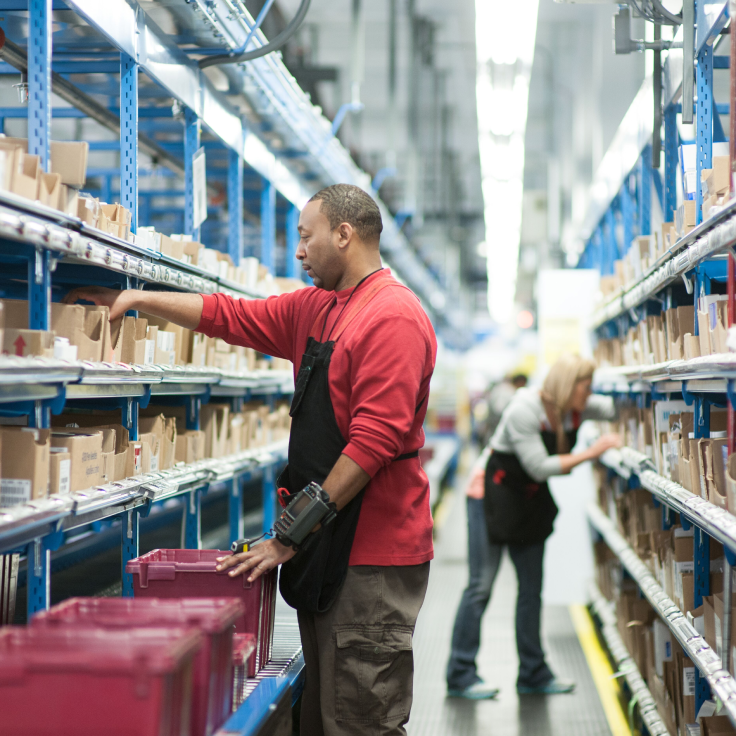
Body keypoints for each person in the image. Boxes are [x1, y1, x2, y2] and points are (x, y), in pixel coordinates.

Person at [64, 184, 437, 735]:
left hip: (370, 559)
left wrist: (288, 535)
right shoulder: (322, 308)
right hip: (330, 549)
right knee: (327, 717)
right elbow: (228, 315)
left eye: (307, 237)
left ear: (345, 234)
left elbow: (373, 443)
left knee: (360, 722)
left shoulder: (392, 317)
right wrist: (140, 298)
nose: (299, 252)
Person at [446, 354, 619, 699]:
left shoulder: (578, 406)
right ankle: (460, 674)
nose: (591, 394)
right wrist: (593, 452)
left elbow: (616, 406)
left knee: (531, 589)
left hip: (527, 503)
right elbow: (539, 467)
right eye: (587, 387)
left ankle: (533, 673)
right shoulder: (524, 410)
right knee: (480, 586)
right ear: (571, 386)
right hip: (489, 498)